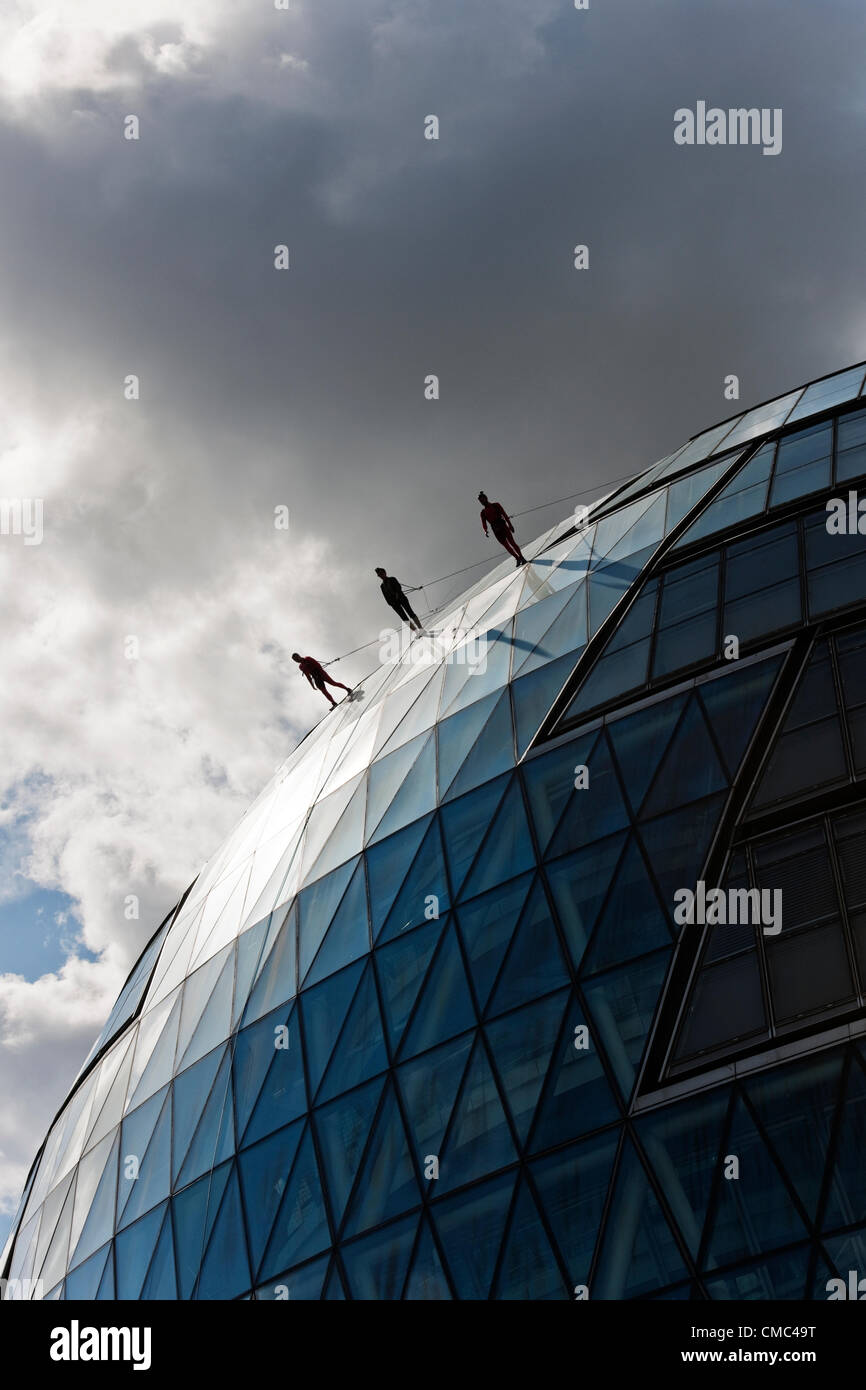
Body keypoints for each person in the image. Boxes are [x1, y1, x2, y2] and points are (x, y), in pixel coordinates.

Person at [478, 490, 526, 566]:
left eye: (482, 500)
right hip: (495, 529)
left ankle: (521, 557)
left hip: (502, 525)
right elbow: (484, 523)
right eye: (480, 501)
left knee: (512, 542)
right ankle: (517, 558)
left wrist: (510, 525)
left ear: (486, 498)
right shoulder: (483, 512)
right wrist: (485, 530)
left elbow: (504, 514)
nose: (482, 502)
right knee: (506, 545)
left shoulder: (495, 505)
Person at [375, 567, 423, 632]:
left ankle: (421, 629)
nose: (381, 575)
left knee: (410, 613)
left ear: (385, 572)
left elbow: (398, 587)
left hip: (401, 598)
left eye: (381, 573)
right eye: (379, 575)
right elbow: (386, 597)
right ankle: (416, 632)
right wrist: (391, 604)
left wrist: (397, 594)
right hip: (394, 604)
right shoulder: (382, 586)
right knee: (404, 619)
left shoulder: (392, 579)